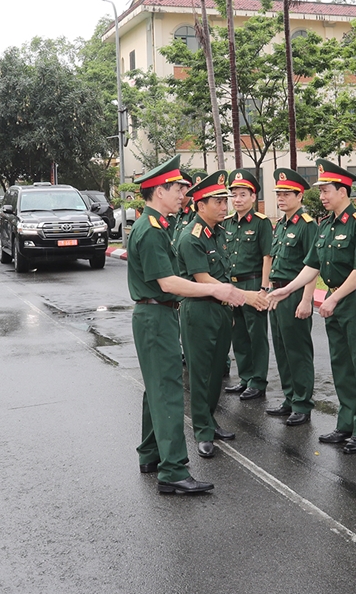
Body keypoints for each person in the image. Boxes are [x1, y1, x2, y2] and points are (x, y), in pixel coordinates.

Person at [126, 155, 246, 494]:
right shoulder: (150, 231)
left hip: (157, 314)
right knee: (168, 392)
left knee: (156, 389)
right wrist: (214, 288)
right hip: (156, 315)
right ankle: (174, 471)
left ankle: (150, 455)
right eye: (178, 188)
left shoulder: (156, 226)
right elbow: (168, 283)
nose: (183, 194)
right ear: (159, 190)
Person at [267, 159, 356, 454]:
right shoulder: (326, 225)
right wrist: (286, 290)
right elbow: (311, 265)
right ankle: (346, 423)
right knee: (341, 365)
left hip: (354, 301)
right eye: (321, 191)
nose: (323, 196)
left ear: (344, 191)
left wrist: (333, 297)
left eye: (327, 190)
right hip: (335, 301)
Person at [176, 171, 265, 459]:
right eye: (218, 202)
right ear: (200, 205)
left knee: (216, 372)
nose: (225, 206)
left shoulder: (219, 232)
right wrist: (244, 296)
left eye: (225, 201)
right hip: (199, 312)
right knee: (200, 374)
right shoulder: (191, 237)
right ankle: (202, 430)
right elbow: (203, 279)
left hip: (221, 312)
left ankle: (210, 421)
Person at [265, 168, 318, 425]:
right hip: (278, 293)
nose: (281, 198)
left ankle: (302, 403)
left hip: (295, 293)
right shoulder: (281, 224)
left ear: (300, 196)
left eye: (287, 194)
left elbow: (313, 266)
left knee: (298, 351)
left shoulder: (307, 225)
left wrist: (307, 299)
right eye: (279, 193)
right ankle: (290, 397)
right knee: (282, 349)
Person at [223, 169, 273, 401]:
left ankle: (258, 381)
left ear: (253, 197)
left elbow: (267, 256)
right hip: (233, 286)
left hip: (253, 283)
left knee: (257, 336)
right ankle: (245, 378)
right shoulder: (226, 223)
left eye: (243, 195)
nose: (238, 199)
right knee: (238, 334)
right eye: (234, 195)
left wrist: (264, 288)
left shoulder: (261, 223)